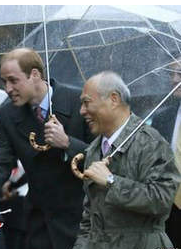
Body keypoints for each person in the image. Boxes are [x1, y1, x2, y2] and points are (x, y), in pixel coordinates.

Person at [0, 48, 94, 249]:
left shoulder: (79, 102)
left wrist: (67, 143)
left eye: (13, 80)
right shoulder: (8, 115)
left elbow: (103, 156)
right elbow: (0, 162)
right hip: (39, 221)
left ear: (35, 75)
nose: (8, 88)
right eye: (4, 81)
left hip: (80, 219)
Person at [73, 71, 180, 249]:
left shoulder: (150, 143)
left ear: (113, 99)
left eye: (86, 102)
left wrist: (111, 182)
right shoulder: (93, 150)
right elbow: (89, 218)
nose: (82, 111)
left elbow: (161, 200)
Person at [149, 57, 181, 248]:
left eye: (180, 74)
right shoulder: (163, 117)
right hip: (169, 209)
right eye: (172, 74)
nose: (175, 79)